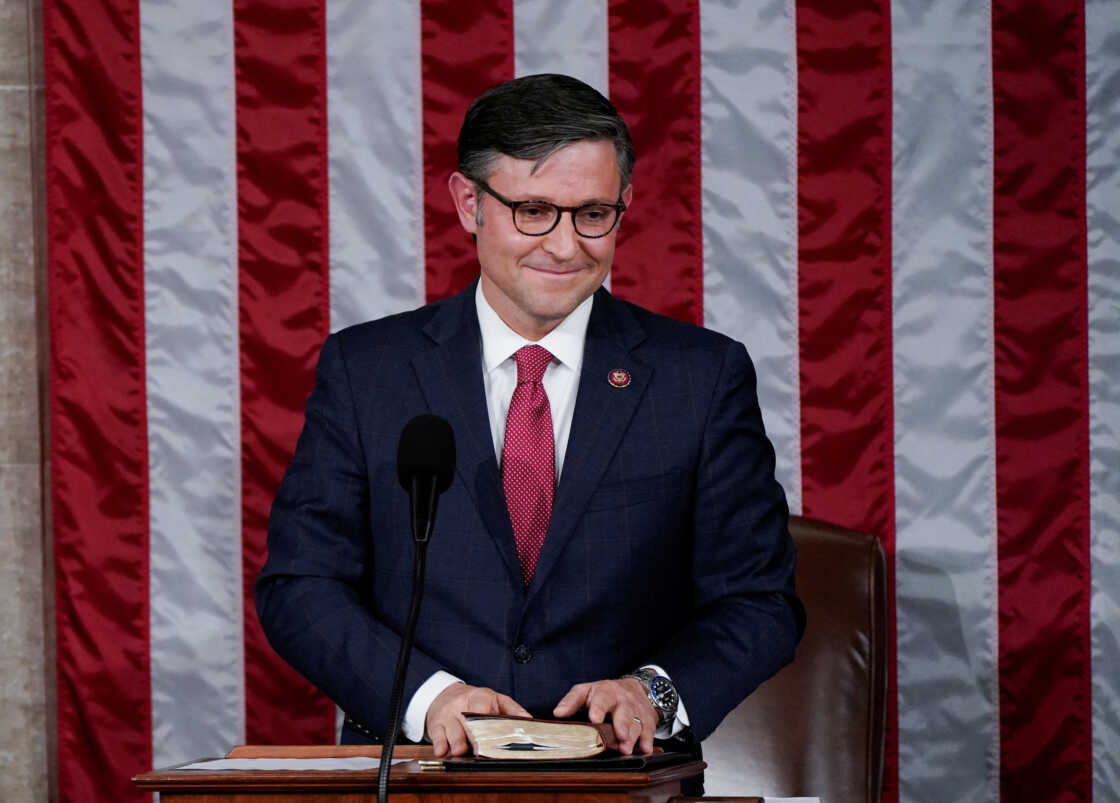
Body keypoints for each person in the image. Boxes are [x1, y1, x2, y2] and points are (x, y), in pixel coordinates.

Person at [256, 73, 804, 761]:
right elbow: (300, 585)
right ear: (469, 204)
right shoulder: (369, 372)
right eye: (534, 210)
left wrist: (652, 693)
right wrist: (428, 698)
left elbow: (759, 601)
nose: (566, 245)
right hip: (423, 770)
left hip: (621, 780)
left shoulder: (701, 377)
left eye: (593, 213)